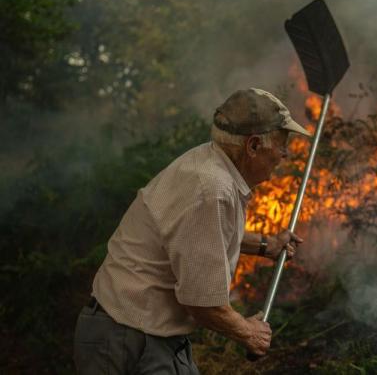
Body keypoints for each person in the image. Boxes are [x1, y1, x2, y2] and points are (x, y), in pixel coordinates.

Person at [73, 88, 310, 374]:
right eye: (281, 144)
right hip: (131, 340)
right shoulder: (212, 189)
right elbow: (202, 303)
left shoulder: (207, 163)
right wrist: (248, 332)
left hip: (123, 330)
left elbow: (196, 238)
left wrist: (266, 245)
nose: (285, 154)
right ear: (254, 146)